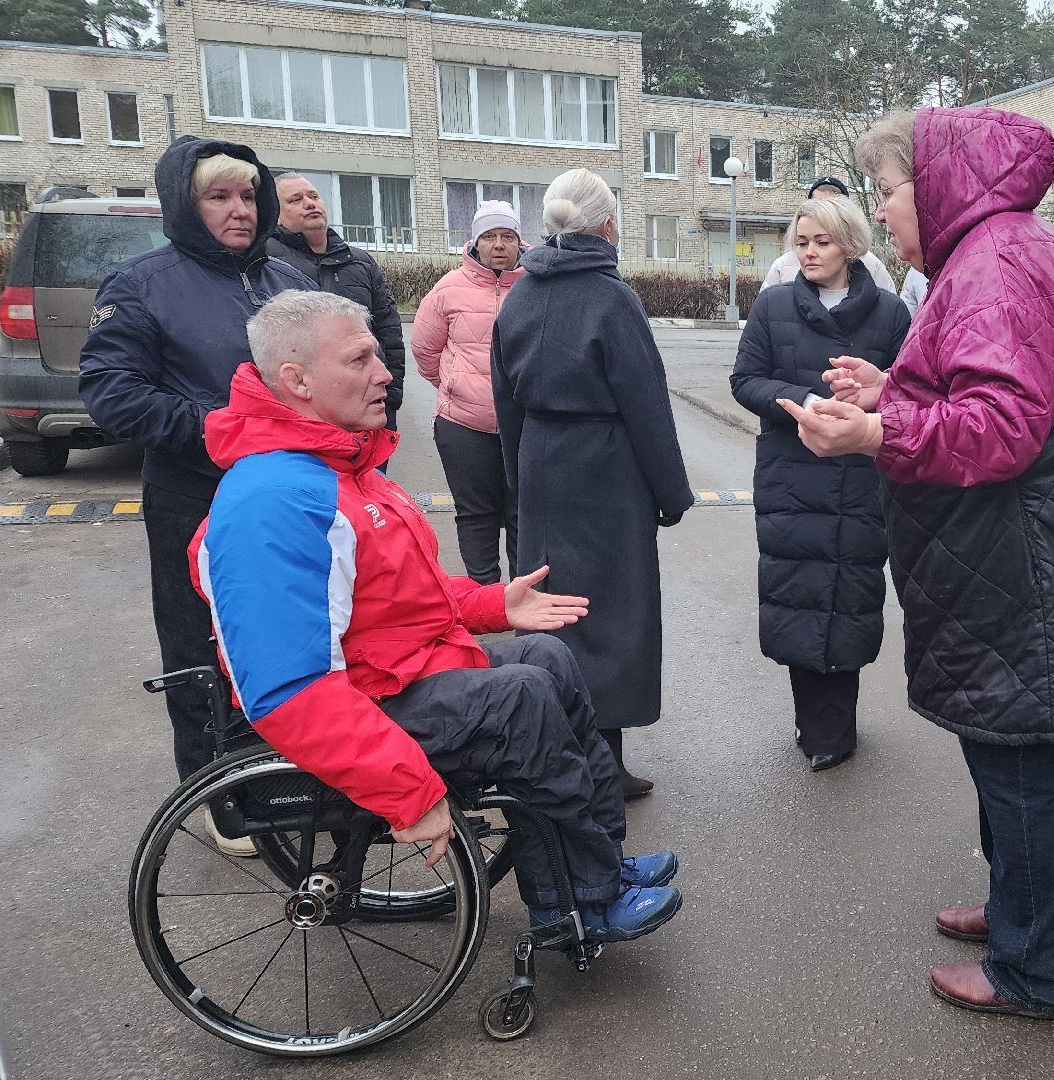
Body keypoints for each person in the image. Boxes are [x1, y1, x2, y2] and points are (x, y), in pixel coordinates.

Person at [782, 108, 1054, 1020]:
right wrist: (899, 389)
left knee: (1020, 762)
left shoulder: (994, 264)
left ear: (939, 185)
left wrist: (878, 429)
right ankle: (1015, 916)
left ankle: (1032, 971)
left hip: (1028, 564)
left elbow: (1000, 431)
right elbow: (994, 393)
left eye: (886, 192)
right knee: (1008, 751)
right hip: (1020, 556)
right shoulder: (995, 251)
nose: (880, 214)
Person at [191, 289, 683, 940]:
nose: (385, 371)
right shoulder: (277, 500)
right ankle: (578, 906)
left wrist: (491, 604)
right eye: (361, 358)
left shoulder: (340, 466)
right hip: (359, 702)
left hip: (390, 671)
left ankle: (602, 867)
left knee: (548, 659)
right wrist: (410, 794)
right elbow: (289, 691)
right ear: (297, 380)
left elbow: (398, 599)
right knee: (522, 698)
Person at [79, 136, 315, 856]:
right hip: (198, 498)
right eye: (219, 196)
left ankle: (289, 768)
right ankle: (214, 791)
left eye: (247, 195)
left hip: (290, 497)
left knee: (292, 636)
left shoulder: (285, 279)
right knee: (200, 646)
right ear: (185, 203)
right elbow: (111, 394)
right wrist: (219, 427)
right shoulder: (141, 284)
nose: (239, 210)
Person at [492, 169, 694, 802]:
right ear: (607, 225)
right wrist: (671, 493)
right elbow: (647, 404)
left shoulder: (518, 296)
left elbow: (506, 404)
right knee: (612, 616)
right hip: (609, 471)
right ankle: (605, 761)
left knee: (556, 613)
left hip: (544, 462)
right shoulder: (612, 298)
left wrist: (518, 482)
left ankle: (570, 758)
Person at [730, 196, 911, 772]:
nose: (809, 252)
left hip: (862, 476)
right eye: (802, 241)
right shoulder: (773, 307)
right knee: (798, 593)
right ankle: (815, 724)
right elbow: (746, 380)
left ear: (851, 246)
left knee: (852, 593)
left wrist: (875, 397)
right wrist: (802, 400)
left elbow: (910, 390)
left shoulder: (888, 313)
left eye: (822, 241)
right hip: (791, 473)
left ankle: (838, 726)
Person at [411, 201, 526, 586]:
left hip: (523, 428)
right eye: (489, 237)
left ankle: (522, 594)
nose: (498, 245)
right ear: (474, 244)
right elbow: (425, 351)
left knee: (522, 514)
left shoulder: (534, 286)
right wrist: (455, 386)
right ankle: (485, 597)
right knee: (476, 515)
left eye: (506, 236)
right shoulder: (448, 288)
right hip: (463, 426)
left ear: (518, 242)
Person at [265, 172, 407, 432]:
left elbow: (389, 331)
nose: (310, 203)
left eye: (314, 196)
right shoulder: (266, 263)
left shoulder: (360, 262)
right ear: (275, 214)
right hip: (303, 415)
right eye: (296, 200)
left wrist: (391, 395)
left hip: (368, 409)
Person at [761, 176, 897, 291]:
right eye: (816, 205)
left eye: (823, 243)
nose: (810, 253)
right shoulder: (782, 266)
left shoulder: (872, 265)